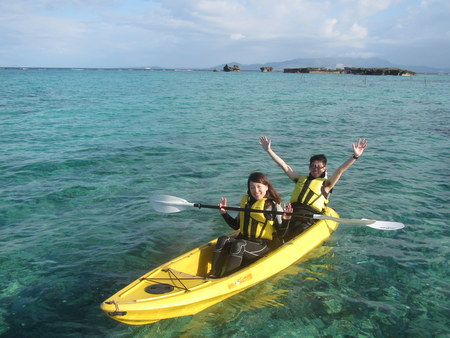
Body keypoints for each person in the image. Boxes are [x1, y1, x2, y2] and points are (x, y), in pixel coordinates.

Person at [259, 135, 367, 238]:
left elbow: (340, 171)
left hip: (308, 218)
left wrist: (355, 156)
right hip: (291, 213)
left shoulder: (327, 184)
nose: (316, 169)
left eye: (319, 167)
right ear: (309, 167)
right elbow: (284, 166)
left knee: (297, 231)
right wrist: (269, 150)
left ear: (325, 169)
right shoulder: (300, 179)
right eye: (313, 166)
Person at [209, 172, 292, 278]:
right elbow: (236, 226)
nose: (256, 191)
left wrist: (286, 220)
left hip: (262, 246)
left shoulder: (273, 207)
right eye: (252, 187)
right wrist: (224, 214)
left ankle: (228, 278)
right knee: (223, 239)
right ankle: (214, 274)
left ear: (266, 187)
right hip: (244, 242)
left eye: (259, 186)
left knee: (239, 244)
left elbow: (281, 234)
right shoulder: (246, 204)